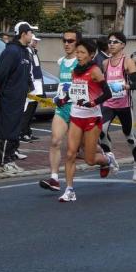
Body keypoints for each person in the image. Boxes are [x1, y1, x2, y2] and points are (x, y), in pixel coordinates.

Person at [55, 39, 119, 202]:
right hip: (76, 116)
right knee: (70, 154)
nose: (78, 55)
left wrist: (92, 102)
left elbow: (107, 94)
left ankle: (107, 159)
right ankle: (69, 190)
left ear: (91, 55)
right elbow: (76, 92)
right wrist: (64, 99)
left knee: (90, 160)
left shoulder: (95, 71)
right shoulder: (75, 71)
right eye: (77, 52)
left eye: (82, 53)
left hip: (92, 117)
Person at [98, 31, 136, 179]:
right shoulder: (105, 63)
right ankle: (111, 159)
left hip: (124, 104)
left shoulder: (127, 62)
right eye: (109, 42)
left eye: (115, 42)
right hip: (109, 103)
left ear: (122, 45)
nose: (111, 44)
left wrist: (125, 86)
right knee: (101, 130)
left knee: (129, 136)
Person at [0, 22, 37, 173]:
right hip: (9, 97)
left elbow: (26, 73)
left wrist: (29, 86)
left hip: (19, 97)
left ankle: (10, 159)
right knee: (7, 129)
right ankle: (2, 163)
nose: (32, 36)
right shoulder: (12, 51)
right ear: (24, 34)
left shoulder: (24, 51)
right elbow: (1, 74)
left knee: (15, 129)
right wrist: (3, 90)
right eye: (31, 33)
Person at [39, 29, 78, 192]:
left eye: (71, 41)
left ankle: (106, 157)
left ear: (77, 43)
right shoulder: (61, 61)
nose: (67, 44)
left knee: (81, 150)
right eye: (65, 40)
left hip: (78, 109)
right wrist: (60, 96)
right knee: (55, 141)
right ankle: (54, 178)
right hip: (62, 108)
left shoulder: (81, 62)